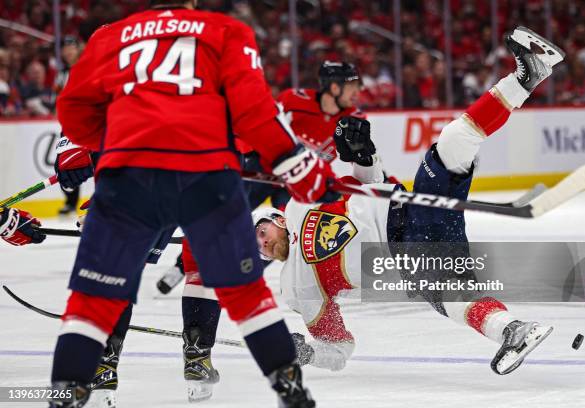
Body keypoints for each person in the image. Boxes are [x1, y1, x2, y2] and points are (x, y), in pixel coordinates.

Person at [51, 1, 340, 406]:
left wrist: (112, 142)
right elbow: (255, 114)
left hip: (128, 179)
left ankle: (69, 393)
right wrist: (300, 170)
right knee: (245, 292)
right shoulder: (226, 31)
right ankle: (290, 392)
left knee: (94, 299)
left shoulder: (108, 37)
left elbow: (73, 112)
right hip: (206, 175)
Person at [250, 27, 565, 373]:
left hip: (413, 210)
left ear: (277, 219)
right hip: (404, 264)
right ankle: (513, 330)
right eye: (258, 246)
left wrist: (362, 152)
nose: (262, 244)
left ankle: (526, 76)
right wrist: (310, 353)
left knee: (452, 139)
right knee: (453, 301)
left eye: (260, 233)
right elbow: (339, 349)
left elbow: (370, 181)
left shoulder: (301, 201)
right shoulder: (294, 289)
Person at [155, 60, 367, 295]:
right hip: (262, 171)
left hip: (294, 185)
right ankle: (182, 266)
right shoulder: (295, 101)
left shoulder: (354, 118)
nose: (358, 92)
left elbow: (356, 160)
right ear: (334, 87)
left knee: (282, 233)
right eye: (353, 85)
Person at [54, 36, 84, 216]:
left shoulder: (86, 67)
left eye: (71, 47)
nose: (68, 51)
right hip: (69, 123)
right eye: (65, 48)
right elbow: (56, 97)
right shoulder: (61, 74)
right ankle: (71, 202)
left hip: (87, 121)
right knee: (66, 161)